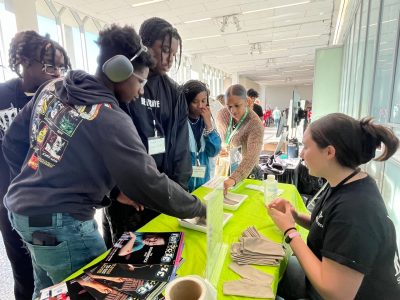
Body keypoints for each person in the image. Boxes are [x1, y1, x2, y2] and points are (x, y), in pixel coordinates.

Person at [2, 24, 206, 297]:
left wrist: (37, 184)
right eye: (141, 81)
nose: (142, 91)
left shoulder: (53, 87)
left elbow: (14, 142)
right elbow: (146, 182)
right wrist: (198, 207)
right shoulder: (108, 116)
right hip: (64, 227)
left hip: (22, 214)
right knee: (103, 290)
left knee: (47, 290)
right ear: (120, 71)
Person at [267, 113, 400, 299]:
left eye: (306, 147)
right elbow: (327, 226)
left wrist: (290, 231)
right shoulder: (344, 181)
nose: (302, 154)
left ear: (330, 152)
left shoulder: (356, 210)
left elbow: (336, 293)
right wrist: (295, 215)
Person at [103, 17, 191, 245]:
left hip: (162, 192)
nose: (169, 59)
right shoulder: (122, 85)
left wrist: (178, 191)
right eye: (164, 50)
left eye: (173, 53)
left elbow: (181, 148)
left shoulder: (174, 92)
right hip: (128, 198)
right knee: (125, 262)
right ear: (145, 44)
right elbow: (105, 145)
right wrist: (114, 190)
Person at [0, 30, 70, 300]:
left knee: (53, 273)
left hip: (51, 207)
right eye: (50, 65)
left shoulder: (62, 99)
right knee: (23, 273)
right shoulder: (3, 95)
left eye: (62, 67)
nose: (57, 73)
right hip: (10, 204)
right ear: (26, 62)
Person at [215, 84, 264, 195]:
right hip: (228, 168)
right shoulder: (222, 115)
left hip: (249, 171)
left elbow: (252, 156)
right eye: (229, 106)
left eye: (237, 105)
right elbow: (224, 140)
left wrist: (234, 178)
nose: (233, 111)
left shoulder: (255, 124)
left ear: (247, 101)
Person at [182, 80, 221, 192]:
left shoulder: (207, 121)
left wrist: (208, 124)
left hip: (204, 181)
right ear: (187, 101)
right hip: (185, 184)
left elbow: (214, 151)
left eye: (203, 101)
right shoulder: (180, 122)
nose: (200, 106)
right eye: (195, 102)